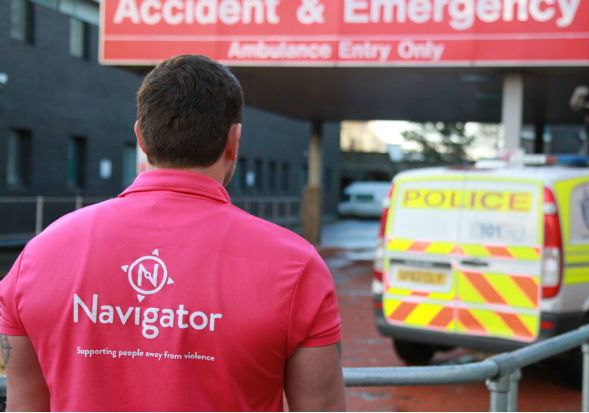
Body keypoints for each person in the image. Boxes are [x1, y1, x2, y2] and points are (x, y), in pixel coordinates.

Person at [0, 55, 346, 411]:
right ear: (234, 141)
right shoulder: (295, 267)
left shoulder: (38, 256)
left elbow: (23, 406)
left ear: (141, 138)